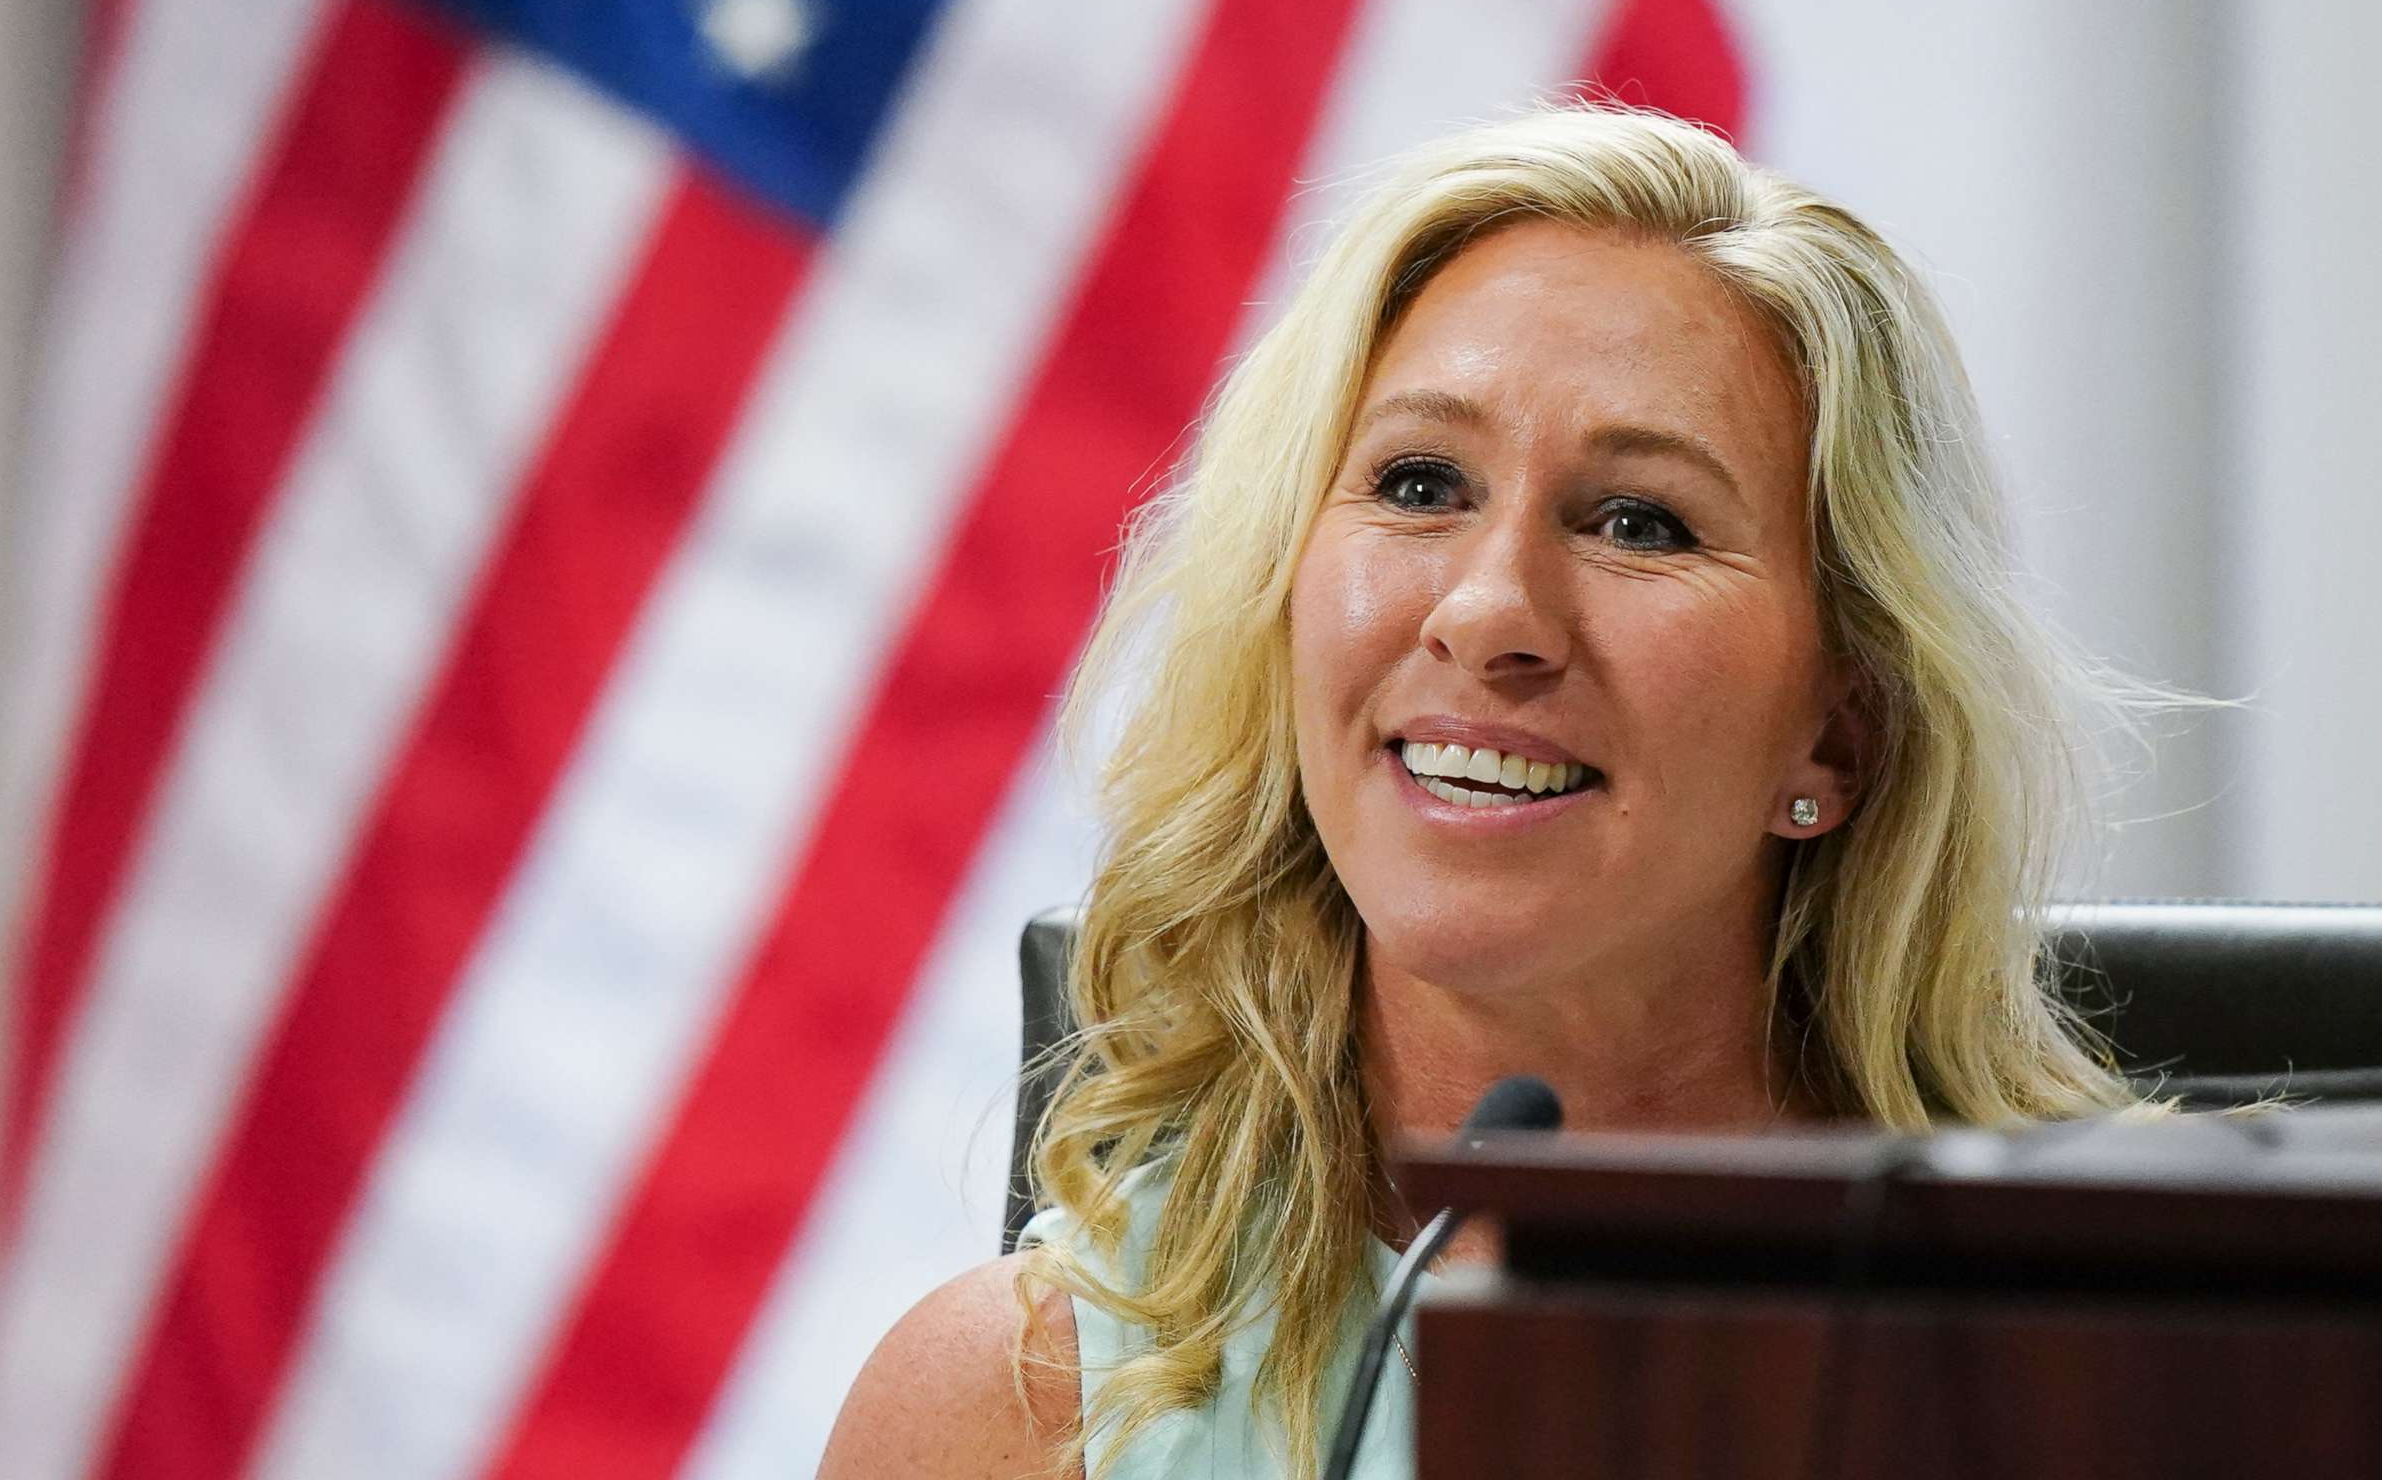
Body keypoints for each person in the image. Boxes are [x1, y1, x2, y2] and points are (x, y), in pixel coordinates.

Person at [817, 105, 2192, 1479]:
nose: (1487, 611)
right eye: (1419, 484)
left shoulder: (2134, 1377)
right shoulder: (1013, 1410)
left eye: (1639, 521)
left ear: (1839, 738)